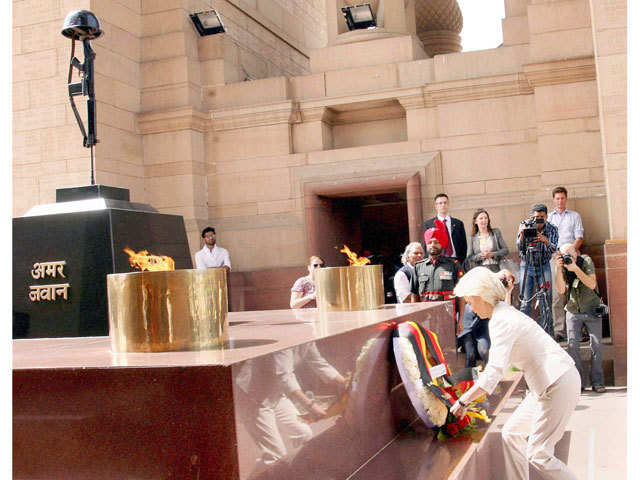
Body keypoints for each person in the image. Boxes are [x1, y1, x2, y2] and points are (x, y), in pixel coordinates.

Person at [450, 267, 580, 480]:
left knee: (539, 454)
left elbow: (494, 371)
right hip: (547, 385)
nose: (471, 309)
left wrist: (463, 401)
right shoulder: (502, 312)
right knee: (511, 433)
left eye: (470, 302)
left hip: (557, 383)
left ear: (481, 297)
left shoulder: (501, 320)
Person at [554, 243, 605, 393]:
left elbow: (592, 283)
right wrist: (558, 268)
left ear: (576, 253)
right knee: (572, 347)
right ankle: (579, 384)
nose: (568, 257)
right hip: (573, 309)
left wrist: (575, 268)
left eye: (570, 253)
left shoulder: (585, 261)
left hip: (591, 308)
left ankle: (598, 382)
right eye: (565, 255)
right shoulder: (562, 266)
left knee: (596, 345)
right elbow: (561, 289)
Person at [548, 187, 585, 342]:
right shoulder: (549, 218)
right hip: (555, 256)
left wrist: (571, 251)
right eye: (557, 198)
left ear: (566, 198)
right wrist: (555, 253)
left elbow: (579, 237)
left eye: (562, 198)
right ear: (553, 200)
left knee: (575, 292)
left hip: (571, 255)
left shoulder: (574, 216)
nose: (560, 201)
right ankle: (559, 331)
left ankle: (579, 330)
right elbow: (546, 239)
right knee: (557, 295)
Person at [409, 221, 464, 323]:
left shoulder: (453, 265)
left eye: (436, 242)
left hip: (447, 318)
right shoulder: (418, 267)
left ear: (442, 244)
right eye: (430, 242)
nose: (432, 245)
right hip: (425, 318)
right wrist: (414, 318)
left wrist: (461, 320)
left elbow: (461, 295)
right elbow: (414, 295)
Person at [516, 204, 558, 336]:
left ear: (546, 217)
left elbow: (553, 249)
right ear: (531, 217)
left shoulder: (552, 229)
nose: (538, 220)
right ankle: (525, 335)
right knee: (525, 301)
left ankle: (546, 334)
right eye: (536, 218)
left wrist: (544, 240)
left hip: (543, 264)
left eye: (541, 218)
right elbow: (519, 247)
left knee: (546, 300)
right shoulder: (525, 224)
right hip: (526, 264)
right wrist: (522, 235)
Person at [422, 193, 467, 264]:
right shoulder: (428, 224)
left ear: (448, 204)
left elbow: (463, 245)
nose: (443, 205)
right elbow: (425, 246)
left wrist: (461, 260)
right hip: (438, 260)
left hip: (455, 260)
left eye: (445, 203)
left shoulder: (458, 223)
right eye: (440, 203)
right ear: (436, 206)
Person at [466, 208, 509, 273]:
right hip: (480, 270)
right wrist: (480, 256)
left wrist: (493, 254)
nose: (484, 220)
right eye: (481, 218)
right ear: (475, 221)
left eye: (486, 218)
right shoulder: (472, 237)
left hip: (496, 268)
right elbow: (469, 257)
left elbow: (506, 250)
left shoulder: (496, 232)